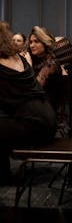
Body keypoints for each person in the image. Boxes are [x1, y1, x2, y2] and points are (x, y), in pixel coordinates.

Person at [0, 20, 57, 185]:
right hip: (47, 119)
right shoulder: (20, 58)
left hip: (37, 126)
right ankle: (3, 173)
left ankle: (3, 176)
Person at [27, 26, 63, 110]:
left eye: (36, 42)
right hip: (34, 105)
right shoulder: (36, 61)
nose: (32, 45)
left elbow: (35, 88)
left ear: (45, 43)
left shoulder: (52, 63)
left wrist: (28, 65)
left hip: (45, 109)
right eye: (31, 42)